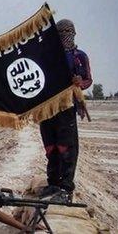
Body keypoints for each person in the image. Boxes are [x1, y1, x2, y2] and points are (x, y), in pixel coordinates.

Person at [39, 19, 93, 202]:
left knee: (67, 148)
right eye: (62, 34)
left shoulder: (80, 56)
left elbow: (88, 80)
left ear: (74, 34)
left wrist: (79, 82)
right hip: (46, 109)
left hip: (67, 108)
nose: (65, 37)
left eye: (68, 33)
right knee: (50, 147)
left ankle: (66, 187)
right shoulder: (47, 56)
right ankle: (52, 183)